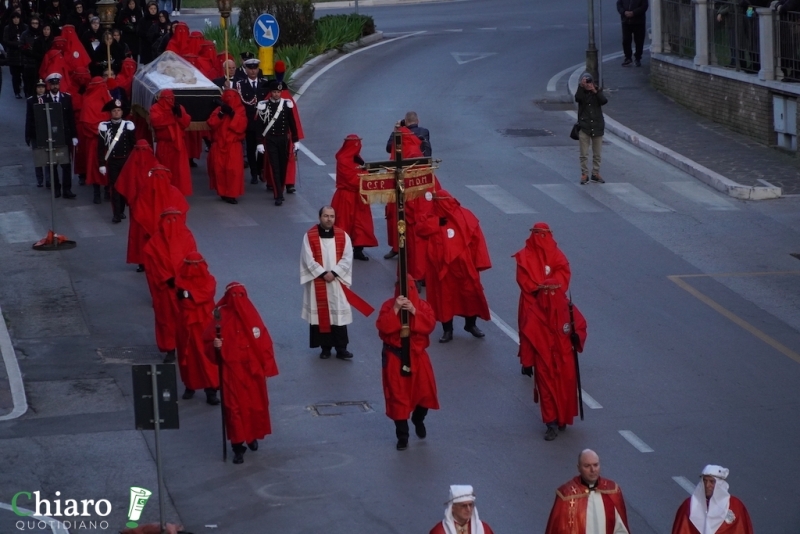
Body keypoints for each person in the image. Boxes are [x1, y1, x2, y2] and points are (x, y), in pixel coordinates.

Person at [205, 282, 279, 464]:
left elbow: (264, 341)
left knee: (255, 406)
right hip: (232, 372)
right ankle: (237, 446)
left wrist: (266, 367)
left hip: (252, 372)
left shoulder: (252, 316)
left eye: (241, 296)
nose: (238, 301)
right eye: (234, 296)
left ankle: (251, 435)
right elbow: (208, 340)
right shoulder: (220, 316)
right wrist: (216, 346)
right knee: (234, 409)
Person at [417, 190, 491, 343]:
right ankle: (447, 330)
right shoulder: (432, 217)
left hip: (465, 266)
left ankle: (471, 324)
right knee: (445, 299)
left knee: (470, 295)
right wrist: (436, 223)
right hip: (442, 269)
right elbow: (420, 230)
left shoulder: (465, 216)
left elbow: (478, 241)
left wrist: (479, 263)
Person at [377, 277, 439, 450]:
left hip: (418, 357)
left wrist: (414, 311)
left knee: (425, 394)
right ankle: (402, 436)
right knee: (398, 397)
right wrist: (396, 310)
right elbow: (383, 326)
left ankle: (419, 418)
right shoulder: (388, 305)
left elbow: (429, 325)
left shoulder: (423, 306)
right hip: (395, 357)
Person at [520, 278, 586, 440]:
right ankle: (551, 423)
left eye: (553, 292)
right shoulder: (534, 313)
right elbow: (528, 340)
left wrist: (578, 337)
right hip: (544, 360)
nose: (549, 296)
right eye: (546, 292)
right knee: (547, 392)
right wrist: (527, 363)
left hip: (565, 359)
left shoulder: (567, 308)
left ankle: (562, 418)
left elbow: (580, 325)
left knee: (565, 391)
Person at [513, 222, 571, 382]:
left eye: (543, 235)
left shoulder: (556, 255)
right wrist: (537, 289)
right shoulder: (524, 255)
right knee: (528, 331)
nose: (541, 239)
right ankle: (527, 363)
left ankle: (550, 361)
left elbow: (563, 271)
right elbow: (522, 278)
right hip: (530, 301)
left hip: (552, 301)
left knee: (551, 332)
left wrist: (551, 288)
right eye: (538, 235)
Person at [300, 206, 355, 360]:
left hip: (337, 281)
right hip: (319, 280)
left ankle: (341, 349)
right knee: (321, 315)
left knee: (338, 315)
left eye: (332, 216)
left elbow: (347, 257)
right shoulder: (309, 236)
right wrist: (323, 273)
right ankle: (325, 348)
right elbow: (307, 258)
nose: (329, 219)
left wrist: (334, 273)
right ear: (319, 217)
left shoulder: (343, 236)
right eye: (326, 216)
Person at [143, 207, 197, 364]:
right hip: (165, 288)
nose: (171, 224)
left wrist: (183, 279)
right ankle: (169, 349)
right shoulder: (155, 242)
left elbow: (192, 260)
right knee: (166, 320)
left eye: (175, 220)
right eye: (168, 220)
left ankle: (186, 347)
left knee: (185, 318)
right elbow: (152, 265)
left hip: (183, 286)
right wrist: (166, 278)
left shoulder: (187, 237)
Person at [545, 449, 630, 534]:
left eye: (596, 465)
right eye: (587, 466)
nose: (593, 470)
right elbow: (557, 529)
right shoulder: (566, 495)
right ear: (579, 468)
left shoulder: (612, 491)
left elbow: (620, 528)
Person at [174, 252, 220, 405]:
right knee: (188, 357)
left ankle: (211, 389)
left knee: (206, 357)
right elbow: (186, 301)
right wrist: (192, 296)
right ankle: (190, 385)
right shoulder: (181, 280)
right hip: (188, 325)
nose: (192, 269)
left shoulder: (209, 280)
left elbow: (203, 296)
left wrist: (189, 295)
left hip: (203, 325)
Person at [330, 134, 377, 261]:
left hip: (357, 195)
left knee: (360, 223)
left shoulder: (354, 158)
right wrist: (368, 173)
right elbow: (352, 179)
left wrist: (368, 171)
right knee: (344, 223)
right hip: (346, 196)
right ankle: (343, 249)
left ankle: (358, 249)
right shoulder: (344, 160)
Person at [115, 140, 159, 271]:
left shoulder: (151, 165)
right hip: (141, 205)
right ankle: (142, 260)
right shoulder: (150, 164)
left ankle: (150, 259)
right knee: (141, 234)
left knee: (149, 233)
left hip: (148, 205)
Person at [670, 465, 754, 534]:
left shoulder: (736, 506)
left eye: (712, 481)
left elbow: (741, 529)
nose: (707, 485)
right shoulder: (689, 505)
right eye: (705, 481)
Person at [256, 80, 298, 206]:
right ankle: (278, 194)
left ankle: (281, 189)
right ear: (271, 92)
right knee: (275, 167)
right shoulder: (264, 106)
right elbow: (260, 126)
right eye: (274, 92)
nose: (276, 94)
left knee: (283, 167)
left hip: (284, 140)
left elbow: (292, 124)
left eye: (278, 92)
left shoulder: (287, 105)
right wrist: (259, 142)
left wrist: (296, 141)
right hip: (271, 140)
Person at [98, 98, 136, 222]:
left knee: (124, 187)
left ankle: (121, 210)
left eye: (118, 110)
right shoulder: (104, 126)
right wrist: (101, 164)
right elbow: (100, 147)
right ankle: (116, 214)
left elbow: (133, 145)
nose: (116, 113)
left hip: (125, 161)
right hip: (112, 161)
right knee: (114, 188)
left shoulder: (128, 125)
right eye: (114, 110)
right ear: (110, 112)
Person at [207, 88, 247, 204]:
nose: (230, 100)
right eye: (227, 97)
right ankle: (222, 192)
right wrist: (221, 113)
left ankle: (232, 194)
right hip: (219, 145)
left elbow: (242, 126)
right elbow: (211, 124)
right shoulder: (219, 110)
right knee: (219, 170)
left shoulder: (240, 110)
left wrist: (232, 114)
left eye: (232, 97)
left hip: (233, 145)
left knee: (233, 170)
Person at [150, 89, 192, 196]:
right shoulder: (155, 108)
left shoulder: (178, 107)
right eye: (168, 99)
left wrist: (180, 115)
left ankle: (178, 192)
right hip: (164, 144)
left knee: (179, 170)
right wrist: (171, 115)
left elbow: (186, 123)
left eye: (172, 98)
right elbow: (156, 122)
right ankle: (164, 190)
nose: (170, 101)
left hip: (178, 144)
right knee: (165, 168)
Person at [44, 73, 78, 199]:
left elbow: (70, 118)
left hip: (64, 136)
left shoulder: (66, 98)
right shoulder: (45, 99)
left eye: (56, 84)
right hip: (51, 137)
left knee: (66, 164)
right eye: (52, 84)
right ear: (49, 85)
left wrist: (74, 135)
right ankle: (56, 188)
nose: (55, 86)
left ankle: (67, 189)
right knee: (53, 164)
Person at [235, 54, 267, 185]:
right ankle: (254, 173)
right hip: (249, 123)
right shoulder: (240, 85)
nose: (253, 71)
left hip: (263, 122)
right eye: (250, 68)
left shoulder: (265, 83)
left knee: (262, 149)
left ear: (258, 69)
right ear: (246, 69)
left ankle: (260, 170)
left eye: (255, 68)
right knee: (251, 148)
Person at [78, 76, 111, 203]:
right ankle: (97, 192)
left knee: (107, 164)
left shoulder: (106, 99)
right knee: (95, 166)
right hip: (95, 140)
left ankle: (107, 190)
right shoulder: (89, 102)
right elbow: (87, 123)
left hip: (106, 138)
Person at [575, 72, 607, 185]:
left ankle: (595, 173)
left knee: (597, 153)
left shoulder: (597, 91)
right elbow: (577, 98)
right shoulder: (581, 93)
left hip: (597, 126)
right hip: (585, 127)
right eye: (586, 81)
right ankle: (584, 174)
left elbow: (604, 101)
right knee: (584, 153)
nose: (588, 84)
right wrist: (581, 86)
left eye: (589, 81)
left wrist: (594, 91)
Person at [429, 485, 494, 534]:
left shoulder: (484, 529)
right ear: (453, 508)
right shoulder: (439, 531)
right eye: (464, 506)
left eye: (470, 505)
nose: (468, 509)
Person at [25, 79, 50, 188]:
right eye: (39, 87)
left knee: (48, 157)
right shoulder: (31, 101)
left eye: (43, 87)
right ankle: (39, 179)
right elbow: (29, 118)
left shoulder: (49, 99)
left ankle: (49, 180)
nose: (41, 89)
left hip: (46, 132)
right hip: (35, 132)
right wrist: (28, 135)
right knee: (38, 157)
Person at [617, 0, 648, 67]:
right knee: (626, 40)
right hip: (626, 21)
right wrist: (624, 12)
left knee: (639, 40)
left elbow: (644, 6)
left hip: (638, 22)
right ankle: (628, 58)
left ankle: (638, 58)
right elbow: (619, 4)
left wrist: (634, 13)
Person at [3, 12, 27, 98]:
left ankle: (27, 91)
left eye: (17, 18)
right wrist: (17, 44)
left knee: (25, 75)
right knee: (15, 76)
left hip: (24, 55)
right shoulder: (7, 28)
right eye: (14, 18)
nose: (16, 20)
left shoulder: (25, 27)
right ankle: (17, 92)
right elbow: (5, 41)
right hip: (13, 55)